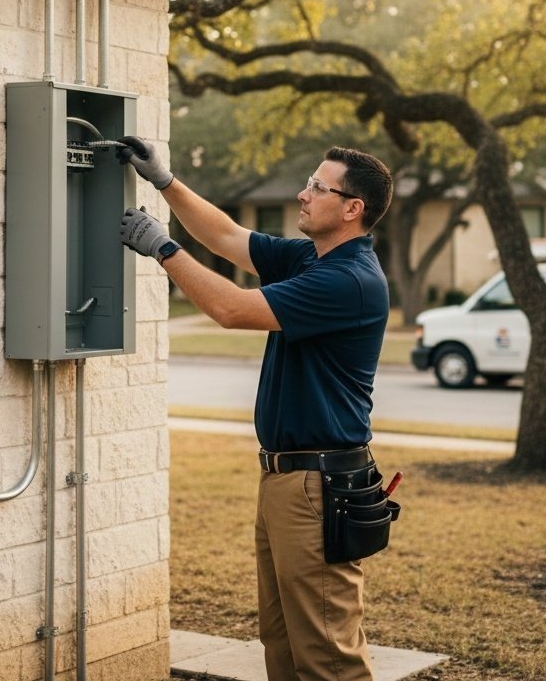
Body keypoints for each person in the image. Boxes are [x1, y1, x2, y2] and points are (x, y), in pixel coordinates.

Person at [117, 137, 394, 681]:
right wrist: (165, 181)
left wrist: (163, 249)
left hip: (318, 488)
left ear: (352, 208)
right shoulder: (309, 258)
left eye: (318, 186)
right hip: (287, 482)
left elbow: (231, 309)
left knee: (327, 653)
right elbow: (225, 236)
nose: (303, 193)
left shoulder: (348, 280)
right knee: (283, 641)